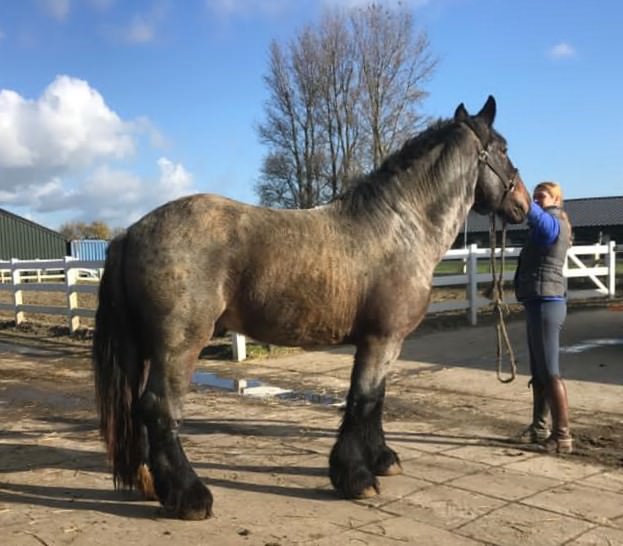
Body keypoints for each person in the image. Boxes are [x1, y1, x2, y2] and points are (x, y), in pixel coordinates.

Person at [514, 181, 573, 454]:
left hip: (547, 303)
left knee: (550, 371)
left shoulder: (554, 220)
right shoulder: (545, 224)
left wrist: (523, 199)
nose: (538, 200)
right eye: (535, 196)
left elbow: (543, 224)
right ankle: (539, 426)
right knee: (539, 371)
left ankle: (562, 434)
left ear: (556, 199)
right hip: (537, 300)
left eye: (542, 196)